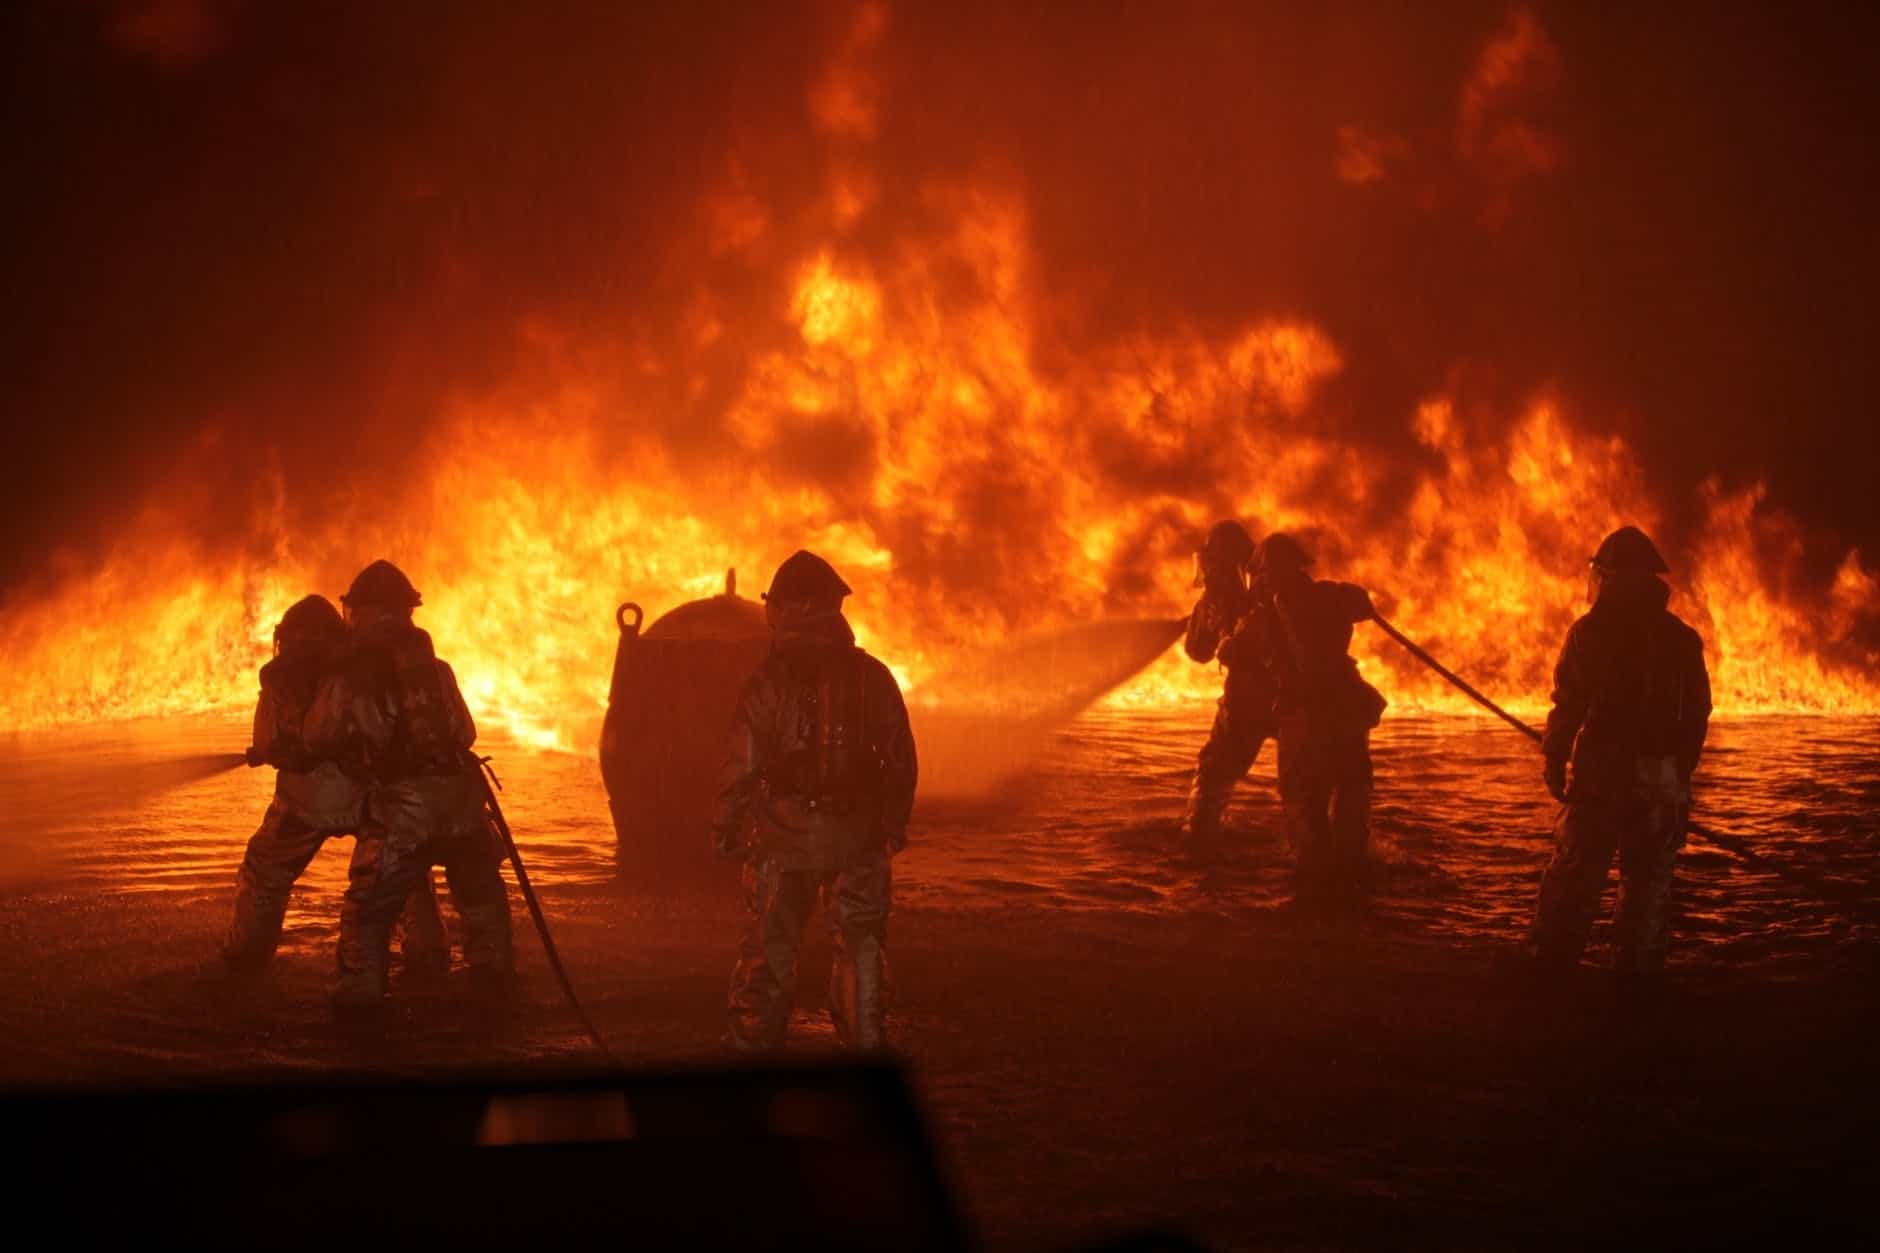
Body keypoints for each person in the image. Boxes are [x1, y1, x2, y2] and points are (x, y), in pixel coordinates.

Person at [712, 550, 918, 1051]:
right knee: (861, 945)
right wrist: (892, 824)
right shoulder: (873, 678)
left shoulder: (766, 683)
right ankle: (866, 1051)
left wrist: (725, 827)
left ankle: (752, 1050)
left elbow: (741, 764)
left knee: (770, 946)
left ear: (779, 609)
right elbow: (901, 760)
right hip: (859, 838)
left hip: (783, 839)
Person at [305, 560, 514, 1009]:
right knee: (482, 900)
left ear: (361, 611)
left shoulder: (349, 673)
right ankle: (497, 993)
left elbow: (318, 736)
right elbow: (466, 733)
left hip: (404, 810)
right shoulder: (438, 669)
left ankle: (359, 1010)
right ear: (407, 611)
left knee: (368, 913)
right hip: (462, 802)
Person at [222, 595, 447, 977]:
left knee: (264, 872)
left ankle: (246, 959)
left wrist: (274, 751)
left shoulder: (279, 676)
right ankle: (429, 957)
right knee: (405, 872)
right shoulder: (360, 669)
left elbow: (269, 741)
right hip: (371, 797)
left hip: (304, 802)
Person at [1528, 525, 1711, 982]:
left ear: (1609, 577)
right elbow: (1698, 712)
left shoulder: (1590, 633)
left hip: (1603, 774)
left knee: (1575, 874)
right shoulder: (1681, 638)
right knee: (1648, 884)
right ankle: (1636, 980)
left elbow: (1569, 702)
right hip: (1660, 779)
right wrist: (1678, 771)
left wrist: (1554, 757)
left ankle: (1550, 973)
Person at [1254, 533, 1385, 905]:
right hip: (1343, 710)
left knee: (1307, 800)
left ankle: (1319, 883)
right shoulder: (1331, 595)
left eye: (1266, 572)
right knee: (1349, 794)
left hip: (1311, 717)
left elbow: (1242, 651)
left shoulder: (1269, 614)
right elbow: (1360, 604)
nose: (1264, 580)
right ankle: (1351, 874)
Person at [1180, 520, 1281, 851]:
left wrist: (1202, 618)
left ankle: (1200, 840)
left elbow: (1198, 651)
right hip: (1293, 695)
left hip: (1246, 700)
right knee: (1307, 786)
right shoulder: (1274, 585)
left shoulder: (1217, 595)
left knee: (1213, 774)